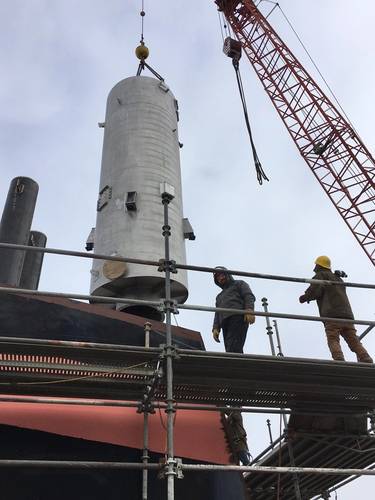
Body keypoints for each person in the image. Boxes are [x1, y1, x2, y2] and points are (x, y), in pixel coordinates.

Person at [299, 255, 373, 363]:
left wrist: (305, 297)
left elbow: (315, 290)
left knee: (333, 338)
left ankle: (339, 358)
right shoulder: (338, 278)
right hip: (347, 315)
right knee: (353, 340)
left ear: (318, 265)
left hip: (332, 314)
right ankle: (365, 357)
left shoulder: (320, 275)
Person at [212, 267, 256, 353]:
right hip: (224, 321)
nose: (221, 278)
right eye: (218, 277)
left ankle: (233, 364)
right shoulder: (219, 297)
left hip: (237, 317)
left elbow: (248, 296)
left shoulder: (239, 284)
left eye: (222, 275)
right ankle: (237, 364)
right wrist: (215, 328)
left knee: (233, 347)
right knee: (230, 346)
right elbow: (217, 313)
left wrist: (249, 310)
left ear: (227, 275)